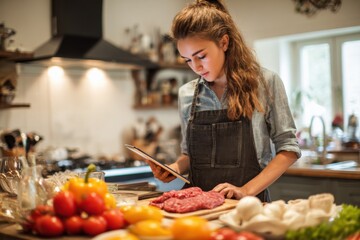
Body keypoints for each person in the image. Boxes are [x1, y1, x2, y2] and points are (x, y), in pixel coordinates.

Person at [147, 0, 301, 202]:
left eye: (201, 56)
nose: (196, 67)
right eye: (187, 60)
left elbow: (288, 149)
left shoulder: (265, 83)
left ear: (224, 42)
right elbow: (189, 155)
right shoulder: (186, 94)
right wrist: (174, 168)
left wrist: (245, 190)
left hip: (247, 207)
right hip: (197, 208)